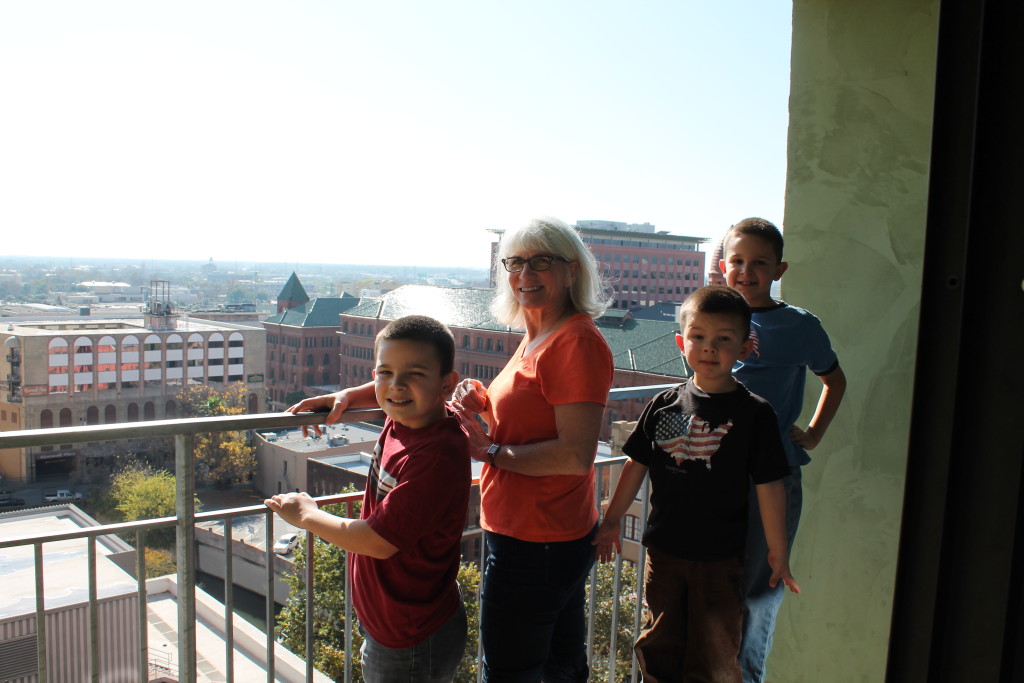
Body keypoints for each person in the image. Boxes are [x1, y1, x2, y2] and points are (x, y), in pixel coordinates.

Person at [595, 285, 799, 682]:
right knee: (660, 645)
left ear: (743, 347)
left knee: (716, 651)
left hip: (720, 559)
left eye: (723, 339)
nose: (709, 348)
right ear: (681, 342)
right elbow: (636, 465)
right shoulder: (663, 405)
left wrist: (778, 552)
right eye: (699, 337)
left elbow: (771, 486)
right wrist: (611, 519)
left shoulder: (755, 415)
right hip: (665, 553)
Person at [451, 217, 615, 683]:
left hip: (538, 540)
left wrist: (490, 452)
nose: (525, 273)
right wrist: (482, 400)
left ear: (571, 271)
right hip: (537, 535)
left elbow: (574, 455)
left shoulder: (575, 341)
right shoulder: (538, 333)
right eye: (516, 262)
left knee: (509, 671)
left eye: (541, 261)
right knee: (559, 667)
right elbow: (534, 411)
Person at [270, 315, 471, 683]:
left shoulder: (436, 455)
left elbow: (378, 542)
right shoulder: (412, 415)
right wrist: (345, 396)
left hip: (411, 639)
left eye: (414, 374)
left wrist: (306, 515)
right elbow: (395, 383)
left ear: (447, 385)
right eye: (384, 372)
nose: (395, 386)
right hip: (396, 624)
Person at [719, 217, 847, 683]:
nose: (746, 271)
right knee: (715, 584)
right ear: (723, 266)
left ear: (779, 269)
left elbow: (834, 380)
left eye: (759, 263)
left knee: (759, 590)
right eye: (737, 261)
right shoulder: (711, 318)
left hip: (773, 476)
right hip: (716, 473)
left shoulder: (799, 325)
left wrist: (812, 433)